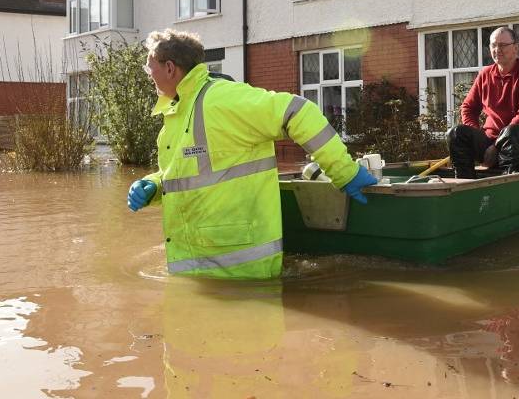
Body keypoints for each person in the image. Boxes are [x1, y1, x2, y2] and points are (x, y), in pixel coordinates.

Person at [126, 29, 377, 279]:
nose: (149, 77)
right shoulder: (176, 115)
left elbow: (299, 111)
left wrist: (345, 172)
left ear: (170, 68)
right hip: (201, 274)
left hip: (242, 274)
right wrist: (153, 185)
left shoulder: (221, 98)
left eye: (150, 69)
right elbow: (184, 175)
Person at [447, 26, 519, 178]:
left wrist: (495, 146)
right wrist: (477, 132)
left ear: (516, 48)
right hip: (489, 142)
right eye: (493, 45)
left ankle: (509, 183)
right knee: (456, 133)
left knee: (512, 131)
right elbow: (468, 107)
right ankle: (464, 183)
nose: (497, 49)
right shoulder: (485, 75)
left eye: (502, 45)